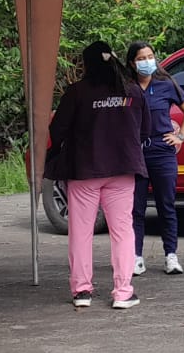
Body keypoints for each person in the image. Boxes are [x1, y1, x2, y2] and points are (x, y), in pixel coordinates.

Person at [48, 41, 148, 309]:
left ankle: (82, 291)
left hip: (85, 171)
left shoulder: (77, 92)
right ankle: (123, 293)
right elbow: (145, 130)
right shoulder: (133, 91)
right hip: (123, 170)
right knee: (122, 231)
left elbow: (57, 130)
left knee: (80, 232)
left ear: (86, 64)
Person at [126, 41, 184, 277]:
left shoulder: (166, 84)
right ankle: (136, 257)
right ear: (132, 63)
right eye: (141, 58)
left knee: (166, 205)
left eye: (150, 56)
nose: (147, 61)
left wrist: (180, 136)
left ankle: (171, 255)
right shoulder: (127, 87)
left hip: (162, 152)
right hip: (136, 154)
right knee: (136, 208)